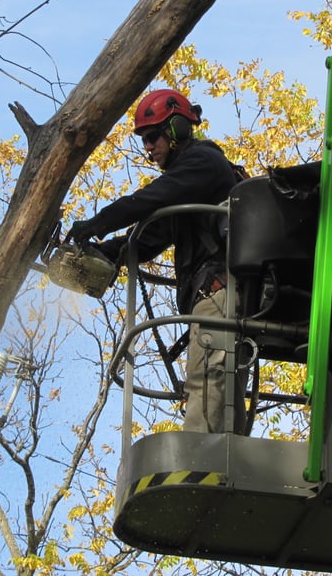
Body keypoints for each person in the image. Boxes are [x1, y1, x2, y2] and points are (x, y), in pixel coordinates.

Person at [68, 88, 246, 433]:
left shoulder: (203, 162)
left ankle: (202, 465)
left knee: (208, 381)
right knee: (219, 387)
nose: (148, 147)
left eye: (152, 137)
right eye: (144, 140)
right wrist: (107, 252)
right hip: (213, 295)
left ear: (178, 128)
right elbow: (150, 236)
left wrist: (97, 224)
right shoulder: (189, 184)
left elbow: (148, 200)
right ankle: (226, 464)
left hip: (218, 291)